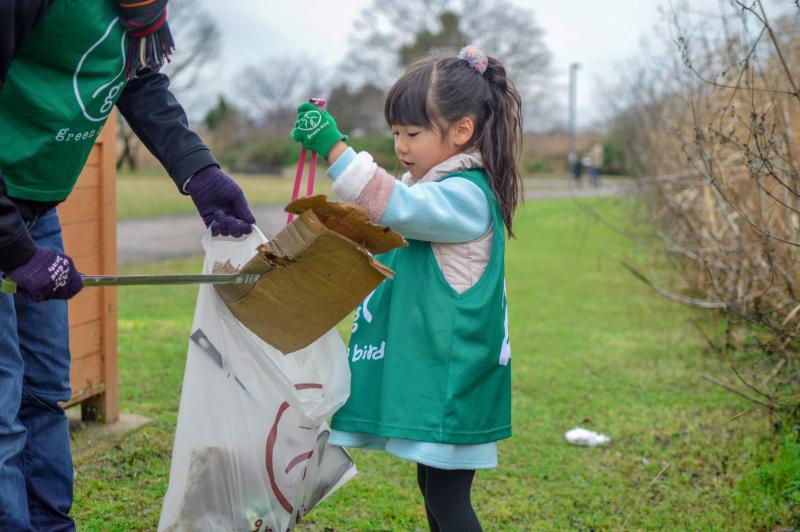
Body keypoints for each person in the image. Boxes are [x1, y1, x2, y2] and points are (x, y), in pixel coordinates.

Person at [0, 1, 255, 529]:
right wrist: (15, 250)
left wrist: (199, 172)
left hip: (38, 208)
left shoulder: (142, 13)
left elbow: (138, 80)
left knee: (44, 392)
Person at [291, 45, 518, 531]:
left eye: (413, 133)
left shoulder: (465, 197)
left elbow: (397, 207)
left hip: (454, 380)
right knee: (435, 490)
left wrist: (335, 149)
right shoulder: (437, 191)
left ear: (462, 131)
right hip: (440, 376)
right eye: (395, 133)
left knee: (449, 500)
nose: (401, 146)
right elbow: (390, 212)